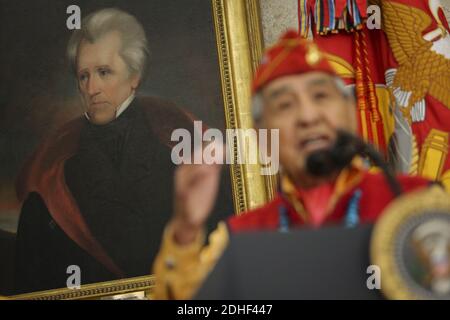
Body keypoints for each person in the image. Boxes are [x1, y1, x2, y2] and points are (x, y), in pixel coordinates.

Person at [152, 30, 437, 299]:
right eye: (286, 105)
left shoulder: (418, 204)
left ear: (350, 114)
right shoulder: (243, 238)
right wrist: (186, 229)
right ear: (263, 137)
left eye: (321, 96)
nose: (308, 116)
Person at [13, 8, 200, 293]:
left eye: (104, 72)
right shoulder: (54, 177)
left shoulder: (176, 157)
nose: (92, 88)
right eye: (84, 76)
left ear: (134, 76)